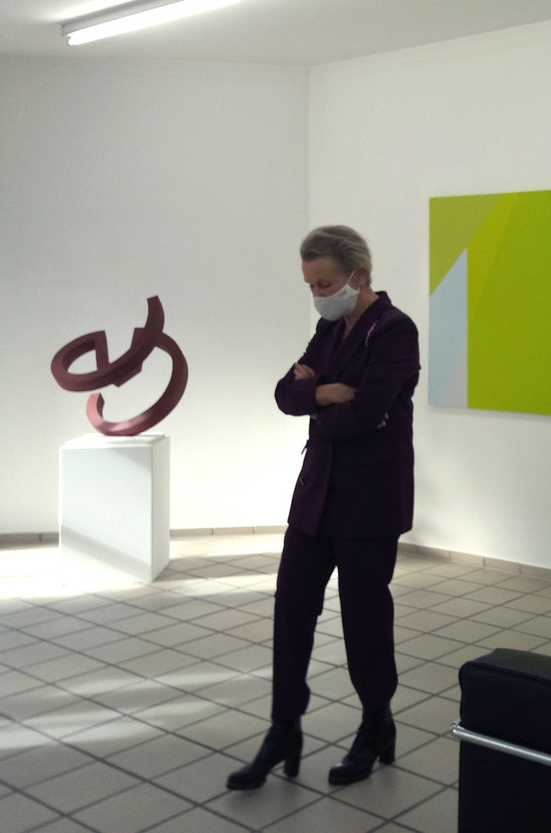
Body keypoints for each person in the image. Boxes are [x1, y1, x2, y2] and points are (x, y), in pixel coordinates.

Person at [227, 225, 420, 790]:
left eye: (325, 283)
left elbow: (370, 412)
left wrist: (318, 401)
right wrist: (324, 393)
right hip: (317, 496)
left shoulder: (395, 329)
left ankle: (376, 722)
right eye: (310, 285)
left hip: (370, 499)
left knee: (364, 617)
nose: (317, 294)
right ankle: (283, 728)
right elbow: (284, 394)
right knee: (291, 611)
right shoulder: (328, 328)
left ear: (359, 275)